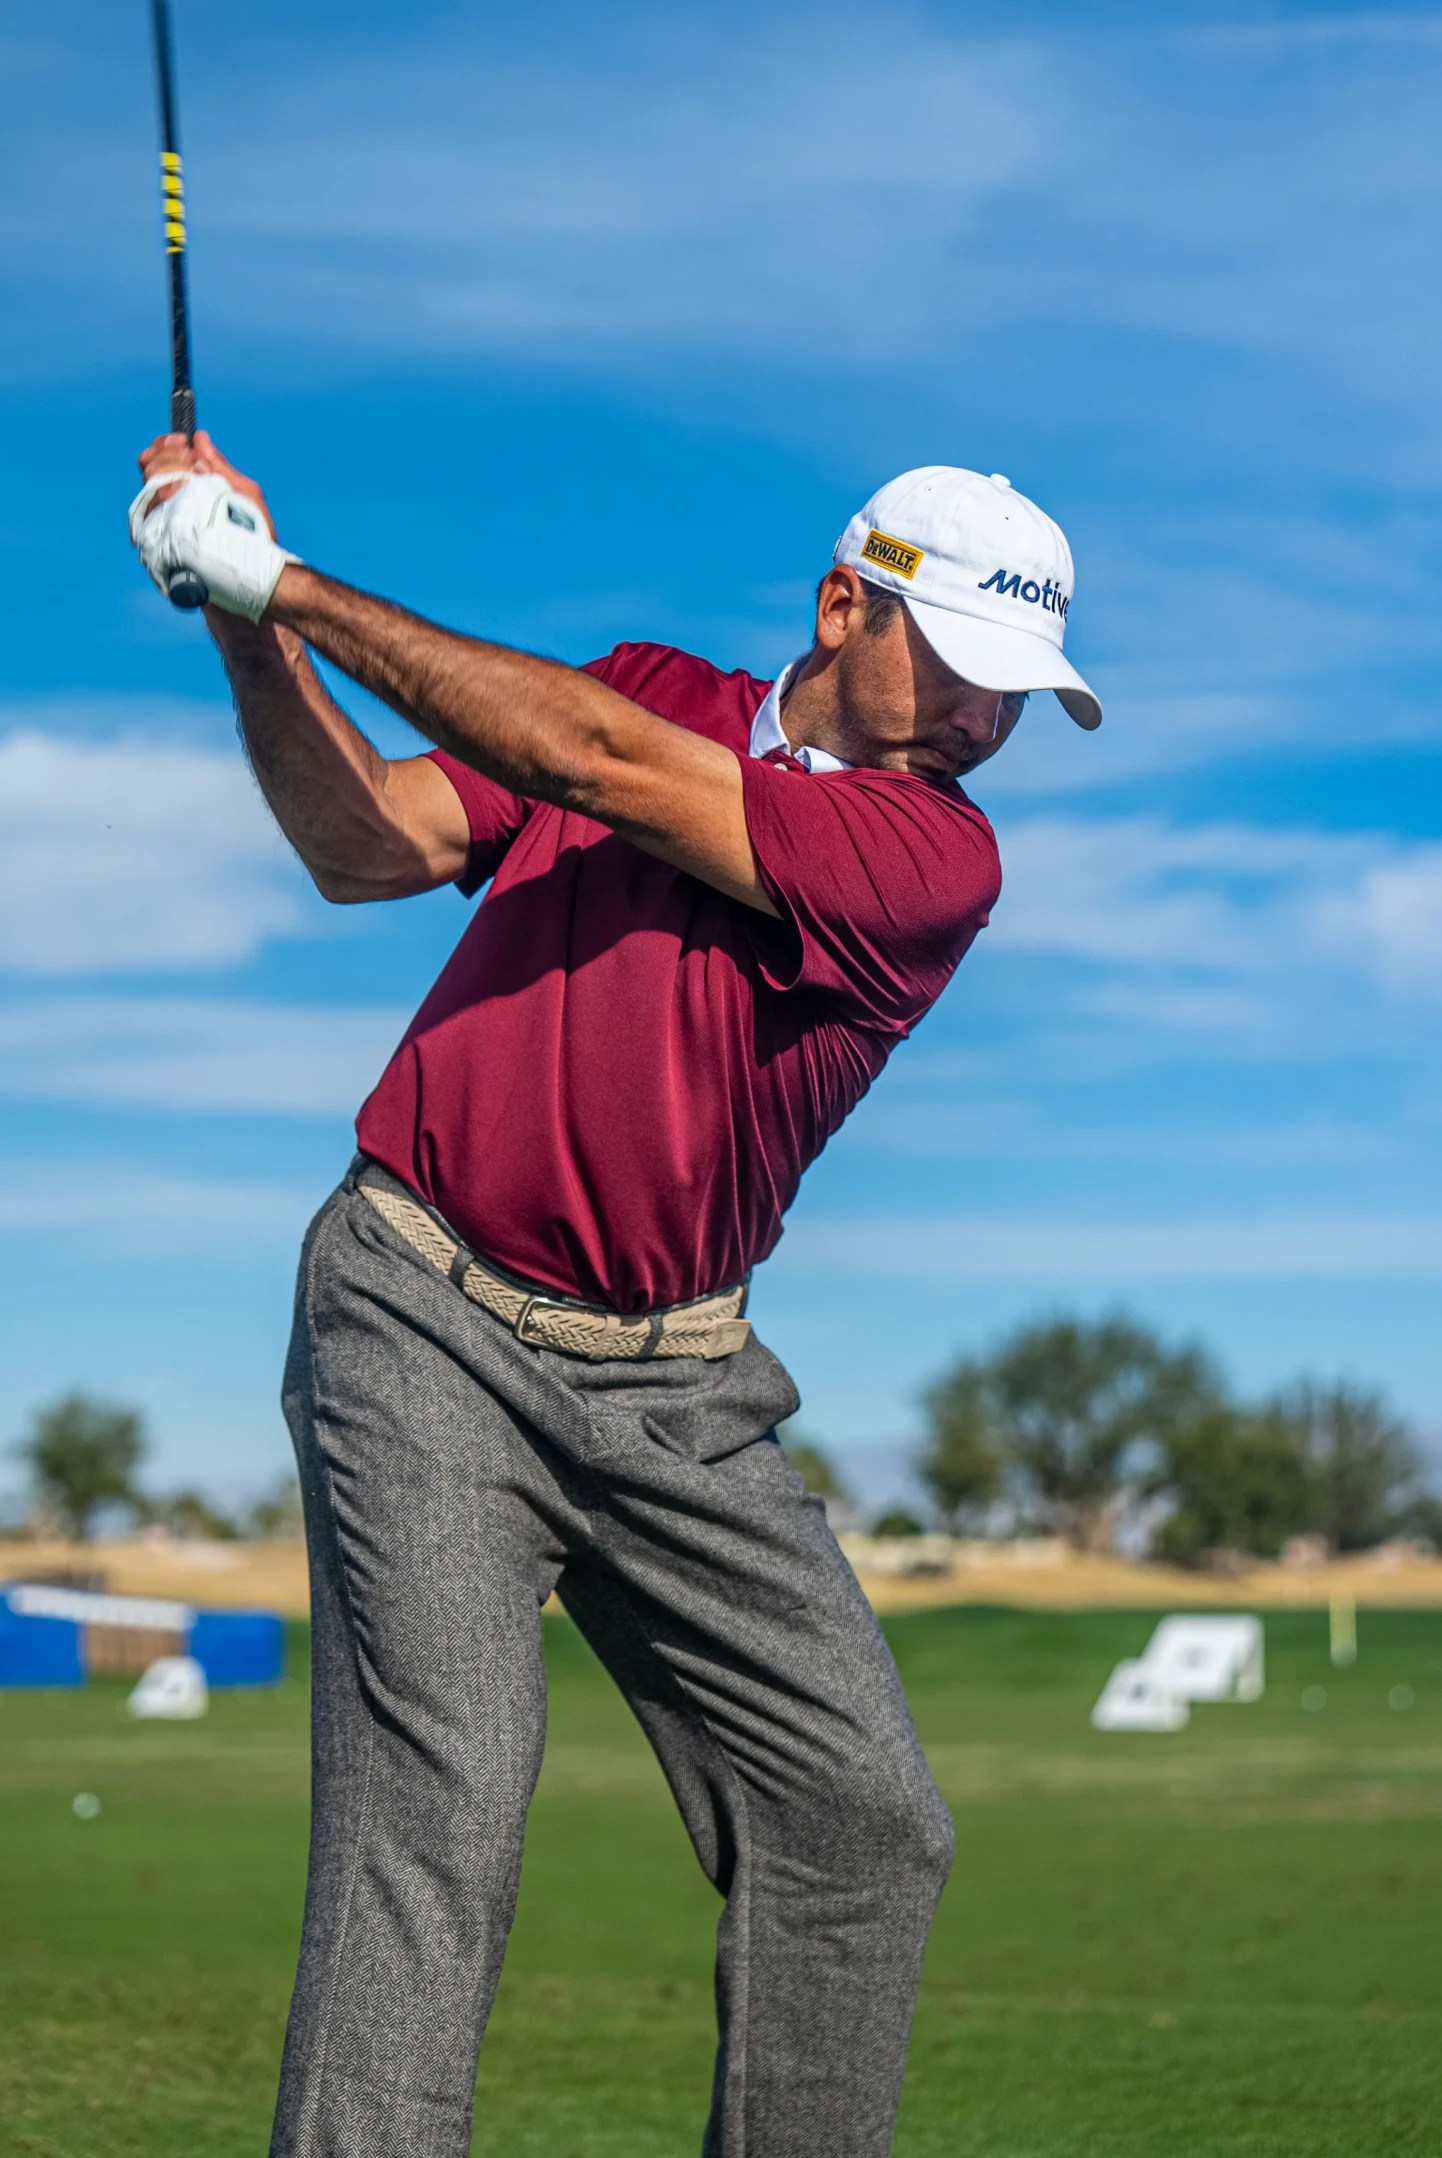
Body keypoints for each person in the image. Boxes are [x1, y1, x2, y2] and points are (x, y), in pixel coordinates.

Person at [129, 443, 1101, 2158]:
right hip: (418, 1311)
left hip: (681, 1390)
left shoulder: (931, 857)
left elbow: (590, 760)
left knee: (863, 1820)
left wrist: (287, 578)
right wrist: (242, 623)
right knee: (440, 1808)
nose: (979, 721)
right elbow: (369, 845)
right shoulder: (658, 689)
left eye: (1014, 693)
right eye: (954, 665)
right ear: (840, 604)